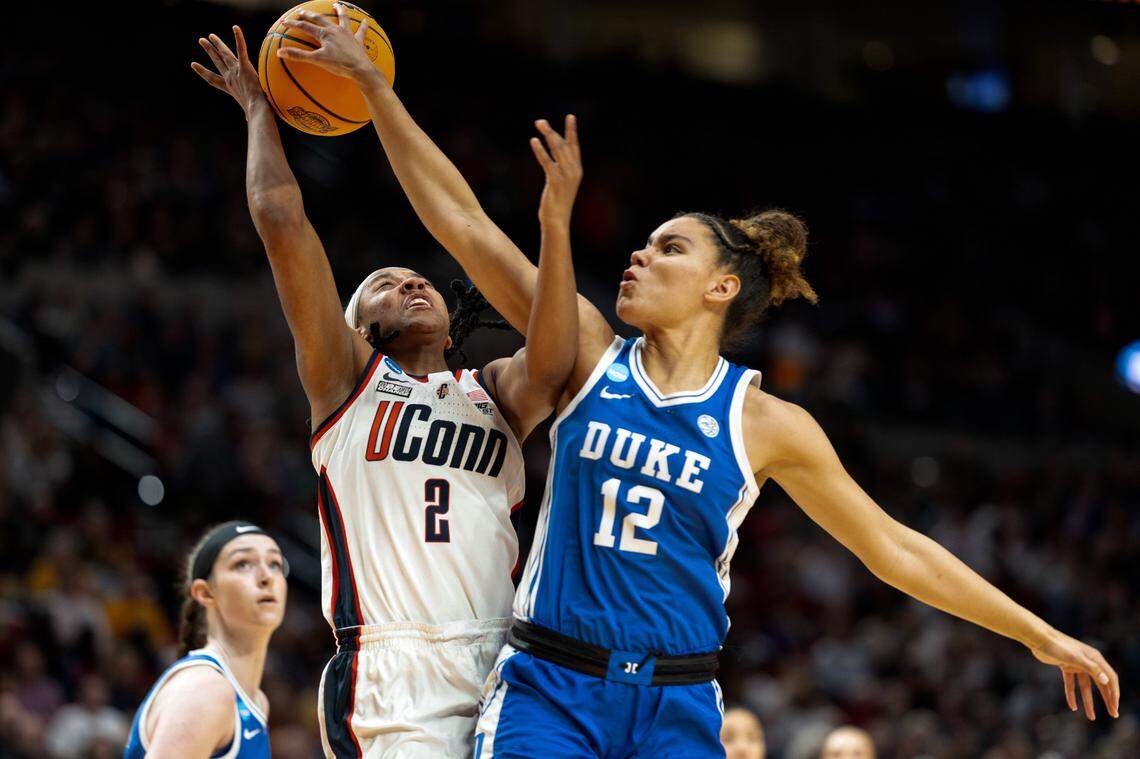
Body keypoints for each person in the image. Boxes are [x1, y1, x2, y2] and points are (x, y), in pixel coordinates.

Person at [276, 6, 1121, 757]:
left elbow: (892, 546)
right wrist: (374, 91)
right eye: (644, 242)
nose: (640, 254)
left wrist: (1039, 634)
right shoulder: (587, 356)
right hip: (549, 689)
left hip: (678, 701)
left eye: (669, 247)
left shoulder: (765, 422)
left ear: (722, 288)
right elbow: (460, 223)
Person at [193, 16, 582, 757]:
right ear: (357, 324)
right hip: (392, 666)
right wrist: (256, 113)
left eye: (417, 277)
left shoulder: (492, 391)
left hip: (510, 662)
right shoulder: (345, 382)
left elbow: (558, 356)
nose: (408, 281)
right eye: (381, 284)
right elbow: (281, 219)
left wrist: (553, 231)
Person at [123, 522, 287, 759]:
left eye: (275, 564)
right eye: (242, 564)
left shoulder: (257, 701)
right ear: (205, 592)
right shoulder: (207, 689)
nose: (266, 577)